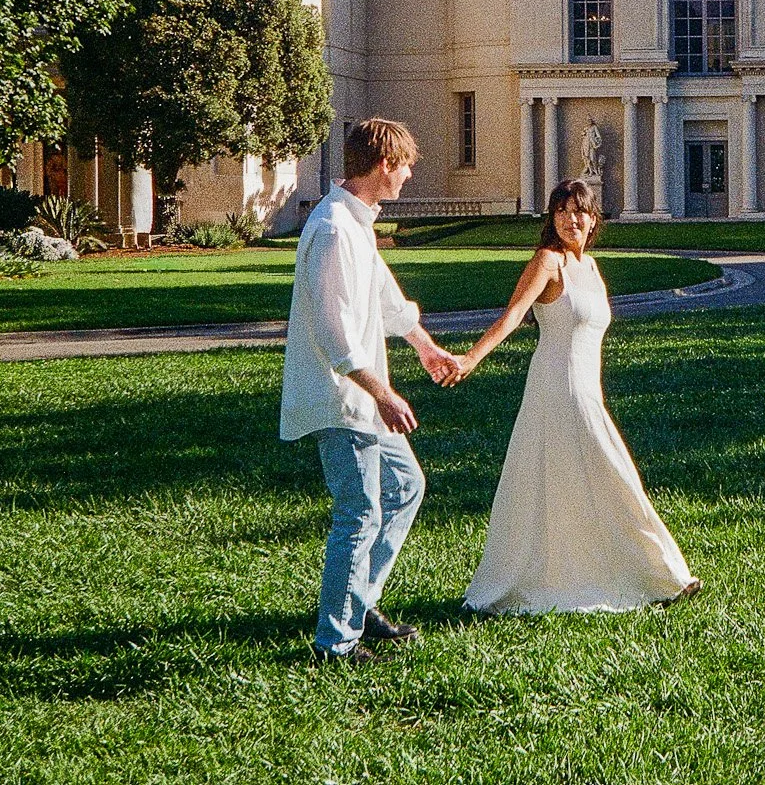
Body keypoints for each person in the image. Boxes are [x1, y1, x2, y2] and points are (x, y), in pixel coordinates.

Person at [444, 179, 701, 614]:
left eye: (578, 211)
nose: (570, 219)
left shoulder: (592, 268)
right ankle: (666, 575)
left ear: (593, 218)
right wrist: (470, 357)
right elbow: (511, 318)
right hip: (557, 388)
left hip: (587, 389)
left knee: (592, 482)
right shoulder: (548, 262)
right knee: (609, 475)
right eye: (561, 211)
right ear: (552, 219)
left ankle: (637, 575)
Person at [279, 118, 463, 665]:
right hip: (342, 398)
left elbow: (386, 300)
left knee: (405, 486)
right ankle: (335, 643)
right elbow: (333, 334)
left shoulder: (356, 225)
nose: (408, 174)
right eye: (405, 165)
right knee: (358, 513)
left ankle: (360, 604)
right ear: (384, 164)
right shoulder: (333, 228)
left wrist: (425, 346)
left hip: (362, 398)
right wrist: (382, 393)